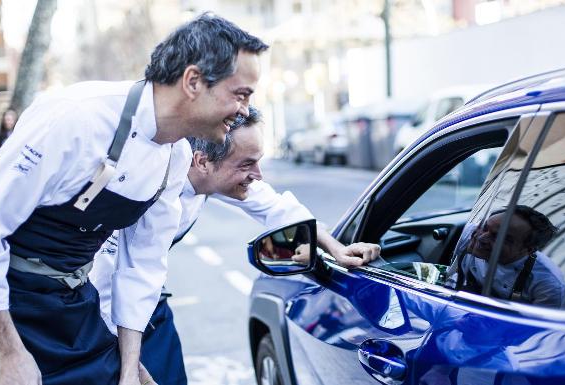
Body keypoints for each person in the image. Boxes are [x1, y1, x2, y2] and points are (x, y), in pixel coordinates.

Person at [0, 13, 268, 385]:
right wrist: (7, 352)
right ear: (193, 81)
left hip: (75, 305)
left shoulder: (175, 158)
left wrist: (130, 368)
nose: (245, 110)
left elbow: (141, 268)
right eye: (240, 94)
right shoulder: (76, 118)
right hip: (2, 306)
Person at [91, 106, 381, 385]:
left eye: (258, 161)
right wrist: (131, 368)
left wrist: (335, 248)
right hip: (102, 310)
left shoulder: (210, 175)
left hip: (150, 302)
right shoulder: (148, 191)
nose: (258, 174)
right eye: (247, 164)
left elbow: (277, 208)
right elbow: (113, 281)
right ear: (202, 161)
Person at [446, 205, 564, 307]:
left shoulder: (548, 284)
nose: (481, 238)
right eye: (485, 227)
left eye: (500, 238)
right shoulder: (470, 234)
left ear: (528, 249)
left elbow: (536, 330)